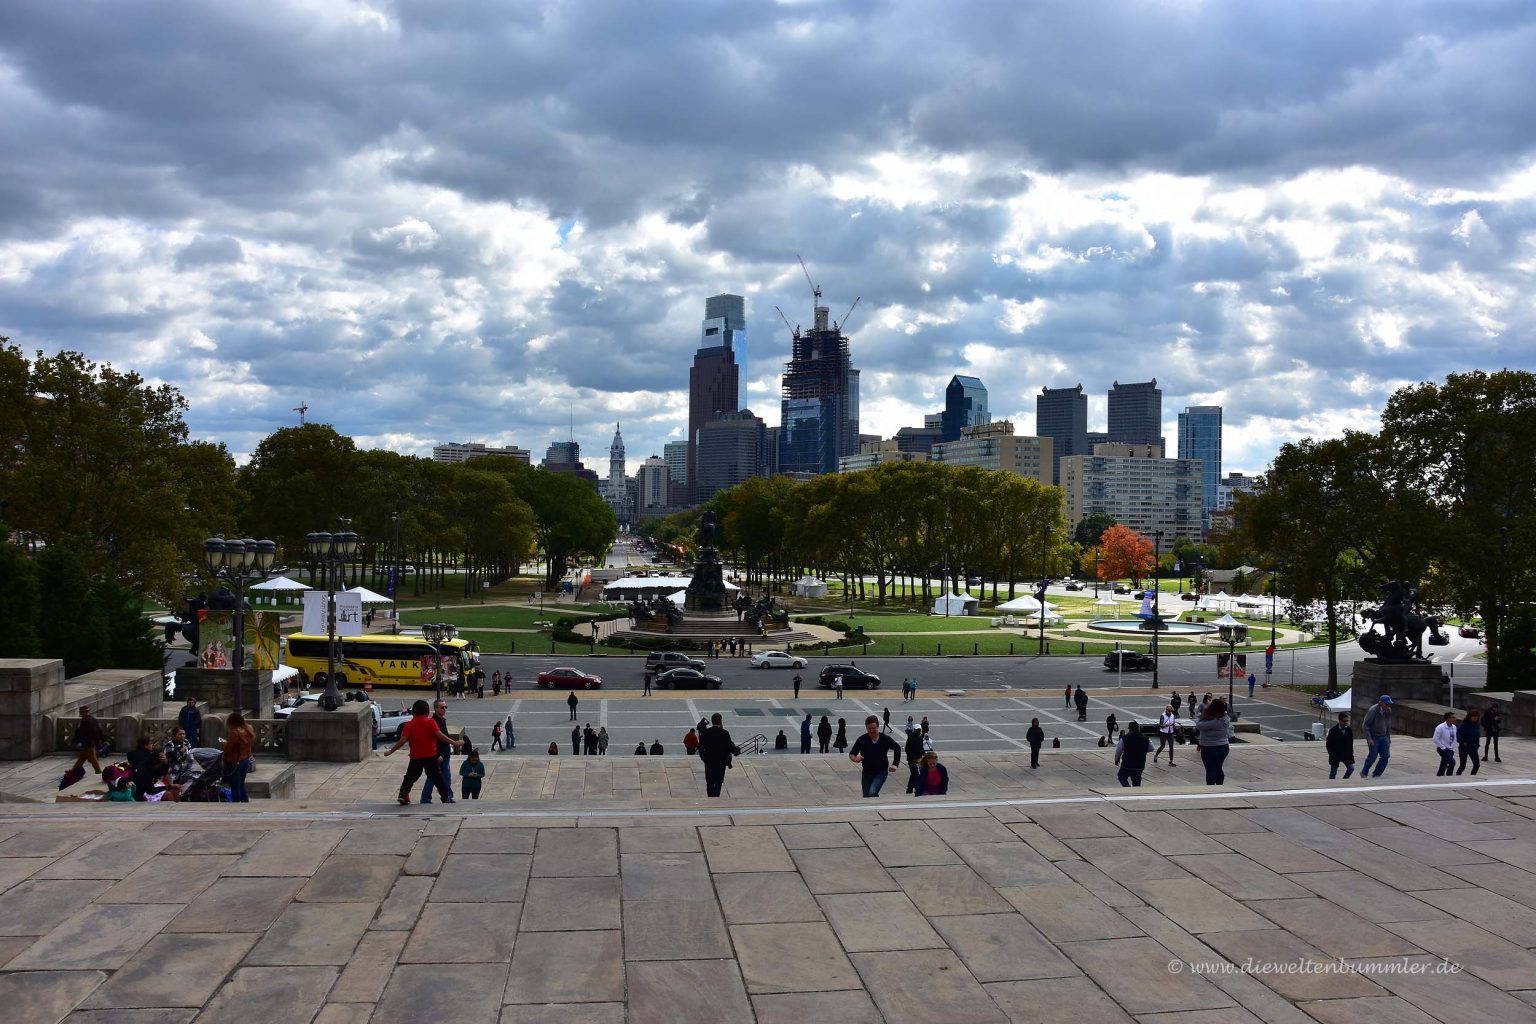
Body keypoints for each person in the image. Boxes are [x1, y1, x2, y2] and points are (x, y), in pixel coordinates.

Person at [385, 699, 460, 805]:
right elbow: (440, 736)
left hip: (416, 757)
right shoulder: (431, 722)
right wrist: (455, 743)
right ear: (427, 711)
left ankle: (403, 794)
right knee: (437, 778)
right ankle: (445, 797)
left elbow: (402, 740)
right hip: (431, 756)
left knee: (410, 777)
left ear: (414, 712)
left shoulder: (409, 725)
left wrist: (391, 751)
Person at [848, 715, 903, 798]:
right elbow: (852, 754)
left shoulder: (885, 739)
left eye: (873, 728)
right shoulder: (862, 739)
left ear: (878, 727)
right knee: (866, 796)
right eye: (869, 728)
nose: (871, 730)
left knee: (872, 791)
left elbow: (897, 748)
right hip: (867, 772)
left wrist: (895, 764)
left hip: (881, 771)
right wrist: (856, 759)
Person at [698, 712, 742, 798]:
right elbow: (729, 747)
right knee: (718, 782)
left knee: (709, 782)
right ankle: (715, 798)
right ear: (720, 721)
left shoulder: (706, 732)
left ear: (712, 721)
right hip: (721, 762)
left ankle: (710, 797)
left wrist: (704, 758)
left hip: (709, 762)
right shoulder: (724, 733)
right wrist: (736, 751)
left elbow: (700, 748)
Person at [419, 700, 453, 804]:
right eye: (442, 707)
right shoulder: (433, 722)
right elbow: (432, 740)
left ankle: (447, 796)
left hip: (444, 754)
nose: (444, 710)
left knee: (446, 777)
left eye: (445, 707)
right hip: (437, 756)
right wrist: (438, 754)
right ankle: (426, 798)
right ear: (436, 708)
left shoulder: (442, 720)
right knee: (433, 778)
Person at [1195, 697, 1231, 786]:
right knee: (1218, 768)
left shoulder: (1214, 721)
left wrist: (1202, 715)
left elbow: (1199, 725)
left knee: (1210, 769)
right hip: (1223, 746)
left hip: (1210, 747)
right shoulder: (1225, 717)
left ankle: (1211, 788)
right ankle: (1220, 786)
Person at [223, 710, 256, 803]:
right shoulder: (249, 728)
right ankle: (245, 801)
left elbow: (229, 747)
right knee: (241, 783)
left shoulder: (235, 732)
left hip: (235, 761)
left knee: (234, 784)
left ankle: (236, 804)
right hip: (245, 759)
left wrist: (224, 744)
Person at [1361, 694, 1394, 777]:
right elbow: (1365, 725)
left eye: (1389, 704)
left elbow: (1388, 725)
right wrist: (1369, 738)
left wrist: (1388, 737)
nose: (1388, 706)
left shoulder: (1388, 711)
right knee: (1372, 756)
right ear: (1381, 703)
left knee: (1385, 756)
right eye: (1386, 704)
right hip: (1374, 736)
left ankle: (1377, 774)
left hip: (1383, 736)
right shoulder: (1373, 710)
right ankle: (1364, 772)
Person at [71, 706, 106, 776]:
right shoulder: (93, 719)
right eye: (82, 712)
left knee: (92, 759)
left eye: (83, 712)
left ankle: (99, 772)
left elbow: (80, 733)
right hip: (90, 742)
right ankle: (74, 771)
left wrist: (75, 740)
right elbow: (99, 730)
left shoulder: (85, 721)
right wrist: (103, 738)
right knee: (82, 758)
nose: (82, 714)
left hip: (88, 743)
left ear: (86, 712)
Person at [1115, 721, 1152, 787]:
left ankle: (1127, 788)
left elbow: (1118, 750)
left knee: (1121, 776)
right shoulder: (1145, 738)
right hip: (1139, 764)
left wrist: (1117, 759)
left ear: (1130, 729)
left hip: (1127, 763)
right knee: (1137, 781)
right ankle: (1136, 792)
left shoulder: (1125, 738)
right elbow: (1151, 748)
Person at [1326, 712, 1355, 779]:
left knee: (1351, 768)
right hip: (1335, 754)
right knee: (1333, 772)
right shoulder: (1333, 730)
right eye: (1344, 721)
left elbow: (1350, 743)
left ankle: (1344, 780)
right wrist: (1331, 753)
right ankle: (1331, 784)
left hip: (1346, 754)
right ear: (1339, 720)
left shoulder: (1349, 730)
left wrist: (1351, 754)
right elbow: (1328, 744)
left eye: (1347, 721)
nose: (1346, 722)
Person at [1457, 709, 1482, 776]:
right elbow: (1458, 735)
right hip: (1464, 748)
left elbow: (1477, 736)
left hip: (1473, 748)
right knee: (1463, 765)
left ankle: (1472, 776)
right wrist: (1463, 741)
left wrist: (1477, 745)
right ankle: (1457, 776)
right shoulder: (1464, 725)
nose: (1475, 718)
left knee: (1477, 765)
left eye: (1477, 717)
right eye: (1474, 717)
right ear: (1470, 717)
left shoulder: (1477, 725)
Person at [1434, 711, 1458, 776]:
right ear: (1448, 718)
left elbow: (1455, 738)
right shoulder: (1440, 727)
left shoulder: (1454, 727)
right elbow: (1435, 739)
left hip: (1451, 749)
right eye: (1453, 717)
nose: (1454, 719)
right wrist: (1442, 747)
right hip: (1442, 749)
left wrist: (1453, 748)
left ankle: (1439, 776)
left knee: (1444, 764)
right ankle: (1449, 777)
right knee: (1452, 762)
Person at [904, 724, 925, 793]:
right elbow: (907, 749)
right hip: (913, 759)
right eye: (918, 730)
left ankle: (911, 788)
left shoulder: (918, 738)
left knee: (915, 773)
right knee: (915, 773)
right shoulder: (912, 738)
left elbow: (921, 748)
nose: (919, 731)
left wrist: (924, 754)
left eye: (919, 730)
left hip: (917, 758)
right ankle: (911, 788)